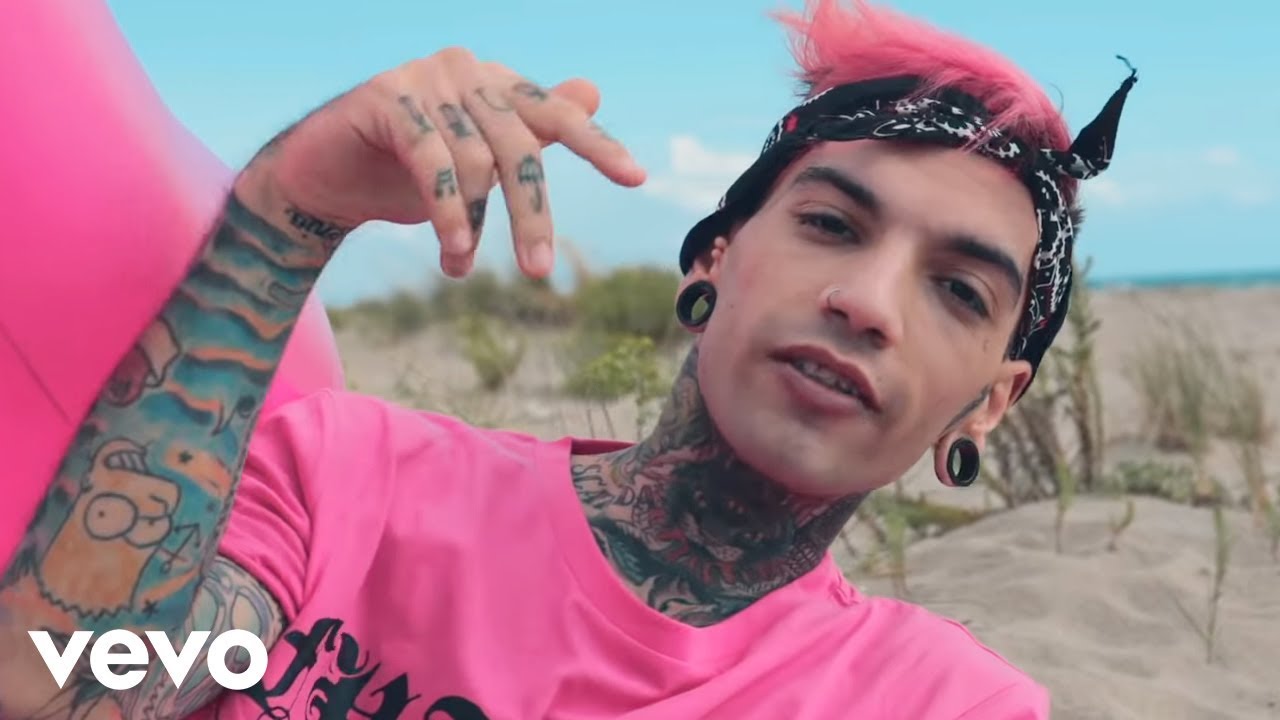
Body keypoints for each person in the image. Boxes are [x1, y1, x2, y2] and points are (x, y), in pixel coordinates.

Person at [0, 0, 1135, 718]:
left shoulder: (933, 701)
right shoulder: (354, 476)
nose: (867, 303)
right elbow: (53, 689)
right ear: (715, 260)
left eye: (958, 290)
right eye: (830, 225)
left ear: (989, 403)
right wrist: (287, 213)